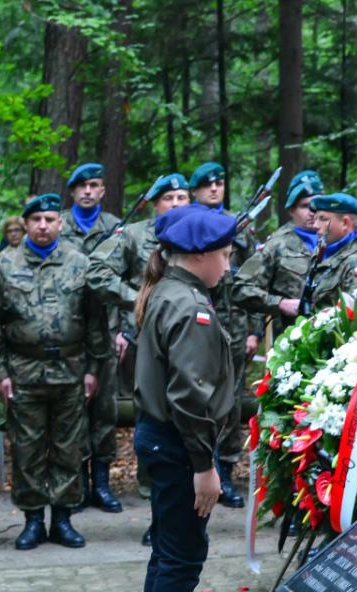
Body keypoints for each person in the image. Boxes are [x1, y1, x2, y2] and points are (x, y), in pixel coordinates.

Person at [132, 203, 235, 592]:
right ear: (198, 255)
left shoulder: (167, 292)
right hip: (177, 445)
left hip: (161, 439)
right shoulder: (190, 306)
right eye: (225, 254)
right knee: (181, 558)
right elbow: (190, 397)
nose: (228, 265)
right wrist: (205, 466)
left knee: (168, 553)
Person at [0, 194, 107, 549]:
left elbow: (95, 321)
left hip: (71, 370)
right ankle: (34, 520)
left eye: (50, 219)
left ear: (60, 223)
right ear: (25, 223)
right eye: (36, 219)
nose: (43, 226)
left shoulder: (79, 262)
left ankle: (64, 519)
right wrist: (0, 373)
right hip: (23, 370)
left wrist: (93, 369)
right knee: (28, 448)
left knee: (69, 447)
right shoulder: (6, 264)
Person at [86, 173, 190, 527]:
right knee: (154, 421)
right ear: (154, 204)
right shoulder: (133, 236)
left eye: (181, 197)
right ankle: (156, 509)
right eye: (168, 198)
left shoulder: (197, 234)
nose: (175, 204)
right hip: (148, 344)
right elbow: (96, 271)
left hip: (189, 342)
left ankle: (186, 505)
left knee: (189, 418)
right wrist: (137, 299)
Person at [189, 161, 262, 508]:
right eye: (207, 185)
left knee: (230, 404)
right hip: (198, 327)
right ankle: (199, 470)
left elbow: (252, 279)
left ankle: (227, 474)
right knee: (197, 401)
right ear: (195, 191)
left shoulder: (239, 225)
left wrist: (254, 330)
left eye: (219, 183)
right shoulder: (187, 225)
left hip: (234, 330)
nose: (214, 189)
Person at [60, 163, 123, 513]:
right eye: (81, 186)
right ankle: (79, 484)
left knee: (104, 409)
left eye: (94, 185)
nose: (87, 191)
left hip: (107, 331)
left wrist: (125, 330)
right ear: (72, 191)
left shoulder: (115, 227)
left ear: (102, 190)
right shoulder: (57, 225)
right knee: (73, 410)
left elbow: (131, 279)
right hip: (68, 333)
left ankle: (102, 483)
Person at [232, 168, 324, 328]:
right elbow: (241, 288)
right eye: (305, 206)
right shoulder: (275, 244)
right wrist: (280, 303)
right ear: (291, 210)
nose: (312, 212)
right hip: (291, 335)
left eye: (317, 205)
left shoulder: (336, 240)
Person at [305, 192, 357, 310]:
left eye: (323, 219)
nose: (315, 225)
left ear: (345, 223)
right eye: (315, 219)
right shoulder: (321, 255)